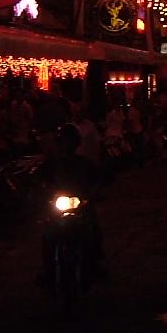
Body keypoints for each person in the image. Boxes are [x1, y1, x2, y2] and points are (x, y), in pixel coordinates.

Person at [35, 122, 106, 286]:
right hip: (57, 206)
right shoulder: (51, 164)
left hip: (81, 206)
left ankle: (97, 261)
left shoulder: (84, 163)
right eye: (64, 141)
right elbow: (38, 180)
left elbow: (98, 179)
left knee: (94, 228)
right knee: (47, 234)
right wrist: (43, 192)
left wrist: (93, 193)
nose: (67, 145)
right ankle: (47, 268)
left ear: (76, 143)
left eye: (70, 141)